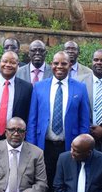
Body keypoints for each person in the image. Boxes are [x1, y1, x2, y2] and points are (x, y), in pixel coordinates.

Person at [27, 51, 91, 183]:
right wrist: (31, 146)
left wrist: (82, 146)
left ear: (70, 65)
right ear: (51, 65)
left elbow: (84, 121)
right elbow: (32, 120)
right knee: (44, 180)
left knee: (67, 180)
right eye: (56, 63)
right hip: (44, 145)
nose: (59, 66)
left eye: (64, 63)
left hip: (69, 145)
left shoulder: (80, 88)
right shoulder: (39, 87)